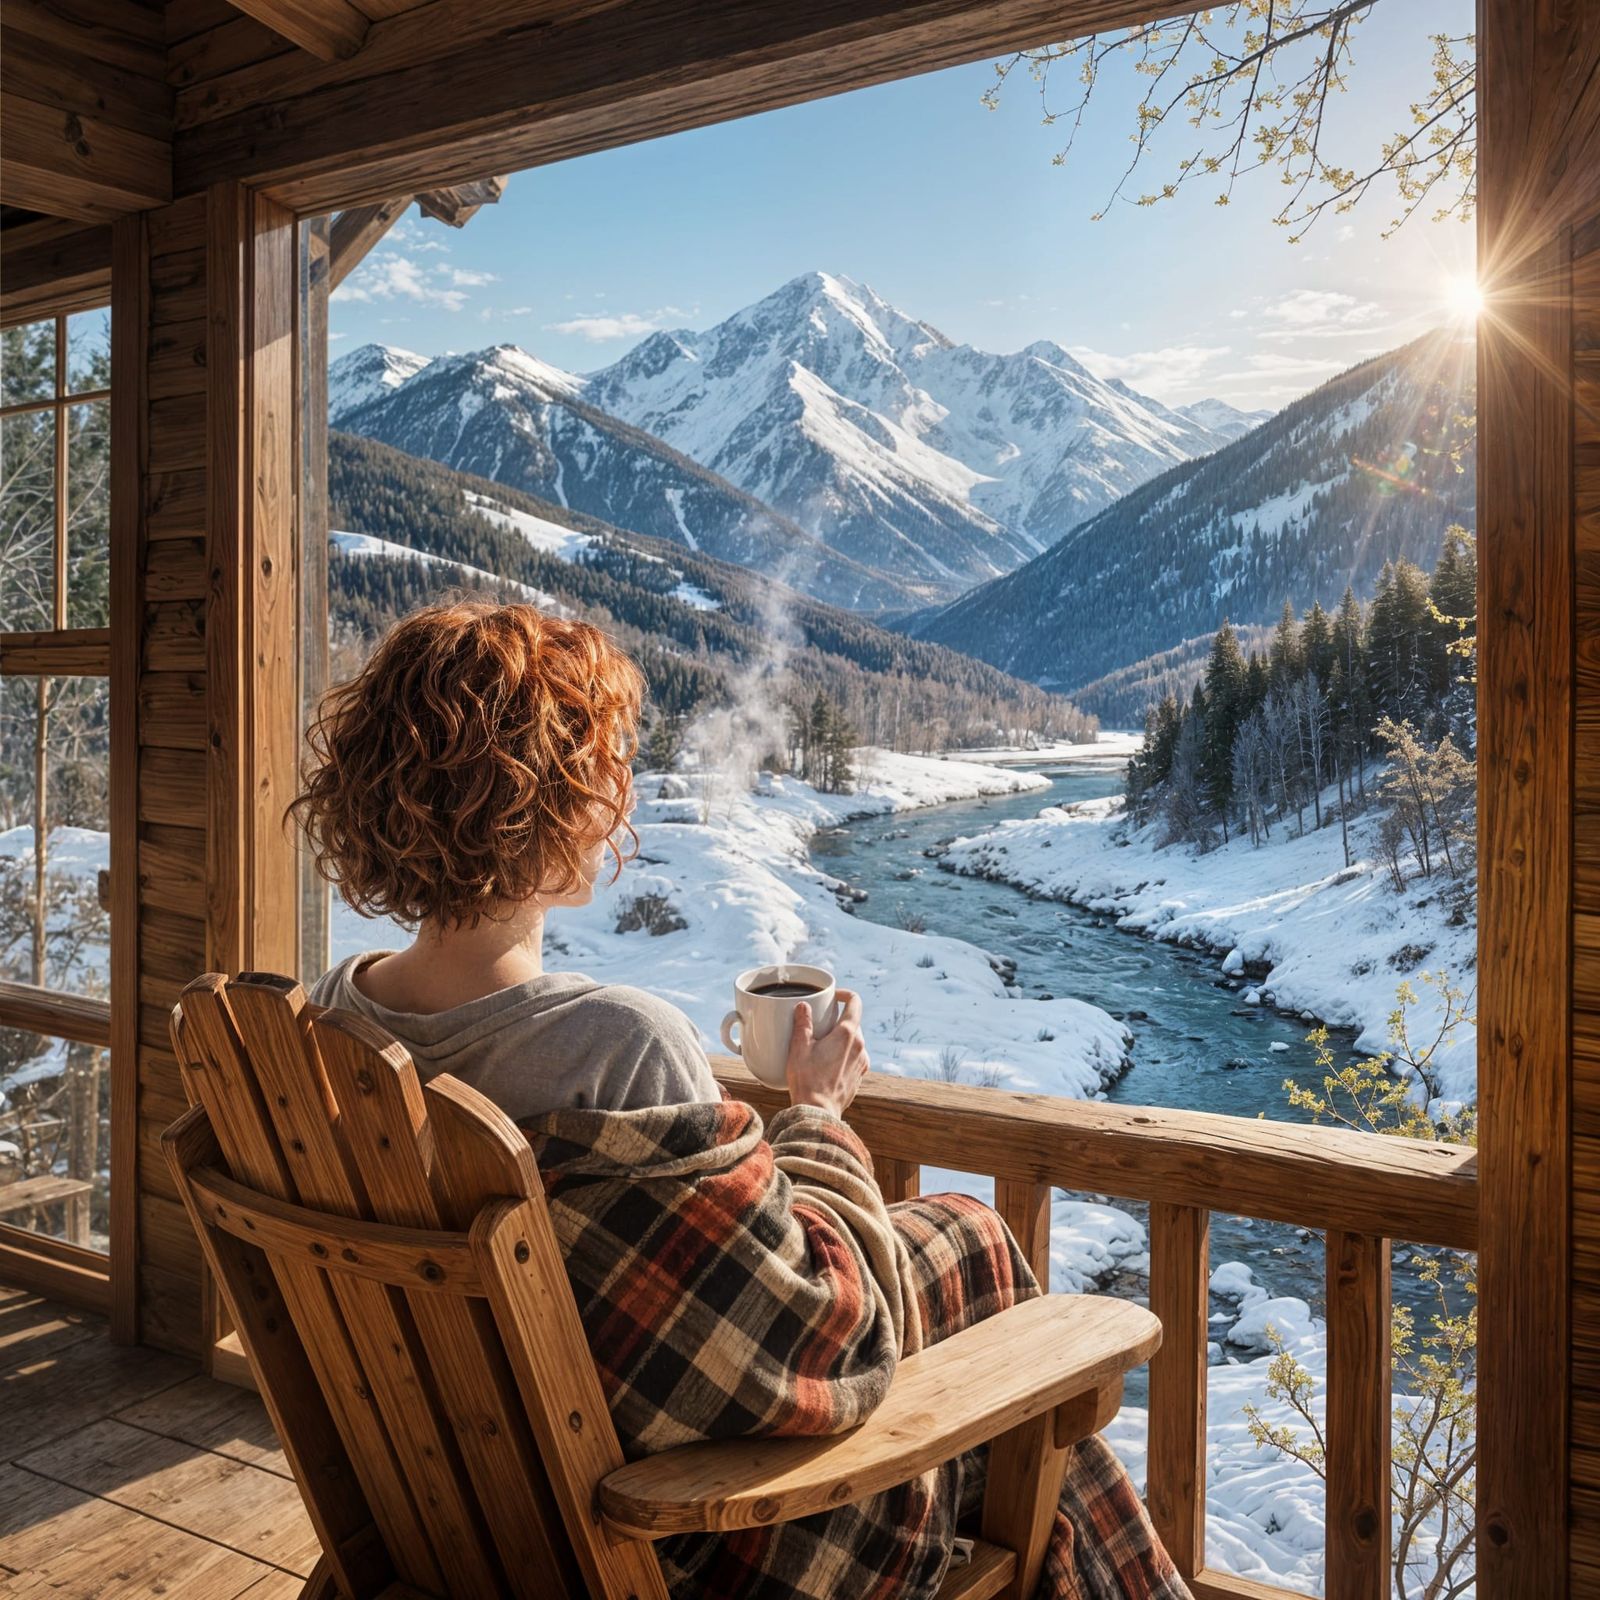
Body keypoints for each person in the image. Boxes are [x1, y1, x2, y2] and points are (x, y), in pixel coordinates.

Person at [292, 600, 1188, 1600]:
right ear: (548, 810)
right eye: (597, 770)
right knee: (980, 1263)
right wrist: (816, 1114)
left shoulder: (329, 1026)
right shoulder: (613, 1052)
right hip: (674, 1539)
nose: (615, 796)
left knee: (963, 1244)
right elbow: (827, 1339)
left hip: (470, 1517)